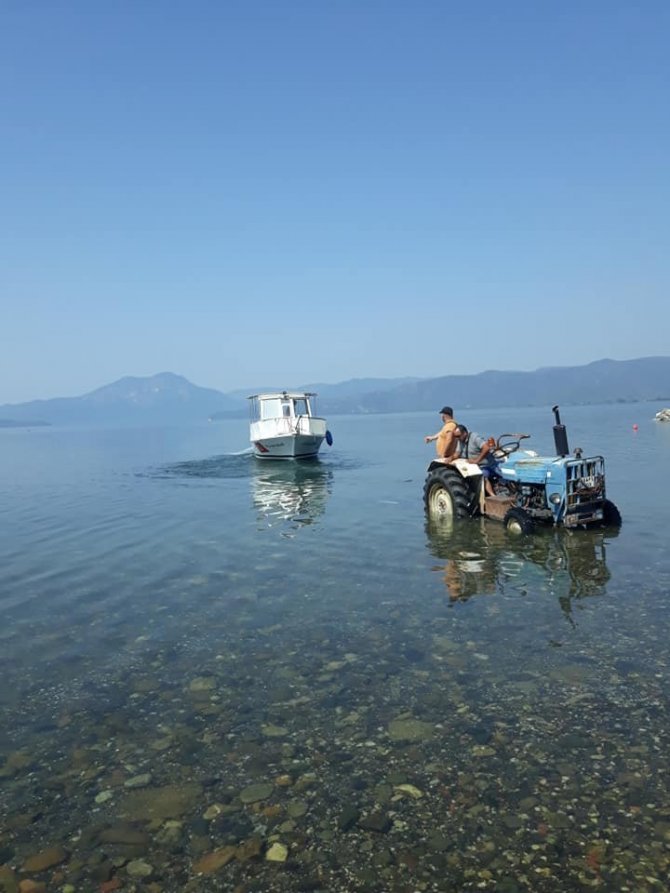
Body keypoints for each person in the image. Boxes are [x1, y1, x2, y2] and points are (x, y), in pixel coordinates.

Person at [450, 425, 499, 496]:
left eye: (458, 436)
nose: (457, 438)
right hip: (472, 466)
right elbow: (457, 453)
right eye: (456, 437)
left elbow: (486, 448)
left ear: (465, 433)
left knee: (482, 476)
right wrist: (450, 458)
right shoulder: (460, 440)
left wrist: (477, 460)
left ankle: (493, 496)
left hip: (484, 465)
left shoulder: (474, 437)